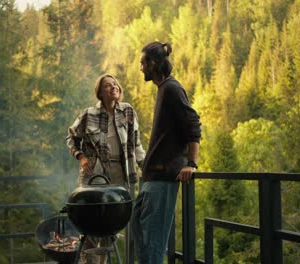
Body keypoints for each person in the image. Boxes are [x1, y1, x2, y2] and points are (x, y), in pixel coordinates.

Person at [132, 41, 201, 264]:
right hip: (151, 178)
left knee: (152, 245)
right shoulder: (163, 90)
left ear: (153, 64)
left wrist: (191, 163)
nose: (140, 68)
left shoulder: (172, 88)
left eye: (143, 63)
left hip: (163, 179)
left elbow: (192, 122)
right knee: (139, 233)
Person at [66, 73, 145, 264]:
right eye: (108, 86)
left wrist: (146, 167)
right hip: (95, 177)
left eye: (115, 84)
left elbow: (136, 144)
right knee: (92, 226)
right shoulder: (89, 114)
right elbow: (71, 137)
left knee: (113, 226)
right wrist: (81, 156)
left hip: (122, 175)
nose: (114, 87)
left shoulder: (128, 111)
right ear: (100, 93)